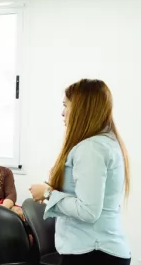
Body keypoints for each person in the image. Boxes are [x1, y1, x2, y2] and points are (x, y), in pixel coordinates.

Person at [29, 79, 131, 265]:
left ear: (82, 109)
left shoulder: (91, 148)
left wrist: (47, 193)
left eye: (65, 105)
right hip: (97, 251)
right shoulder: (104, 143)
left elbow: (88, 211)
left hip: (93, 252)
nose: (62, 113)